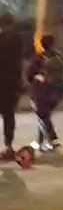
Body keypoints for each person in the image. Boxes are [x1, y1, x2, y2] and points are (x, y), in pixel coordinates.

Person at [26, 35, 63, 152]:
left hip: (40, 93)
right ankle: (39, 142)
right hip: (56, 92)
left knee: (42, 116)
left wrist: (37, 77)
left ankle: (53, 139)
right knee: (44, 116)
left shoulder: (38, 58)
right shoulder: (59, 58)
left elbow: (28, 75)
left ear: (41, 44)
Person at [0, 13, 22, 162]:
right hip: (12, 84)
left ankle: (7, 147)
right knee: (9, 116)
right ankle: (8, 146)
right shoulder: (18, 40)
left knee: (8, 115)